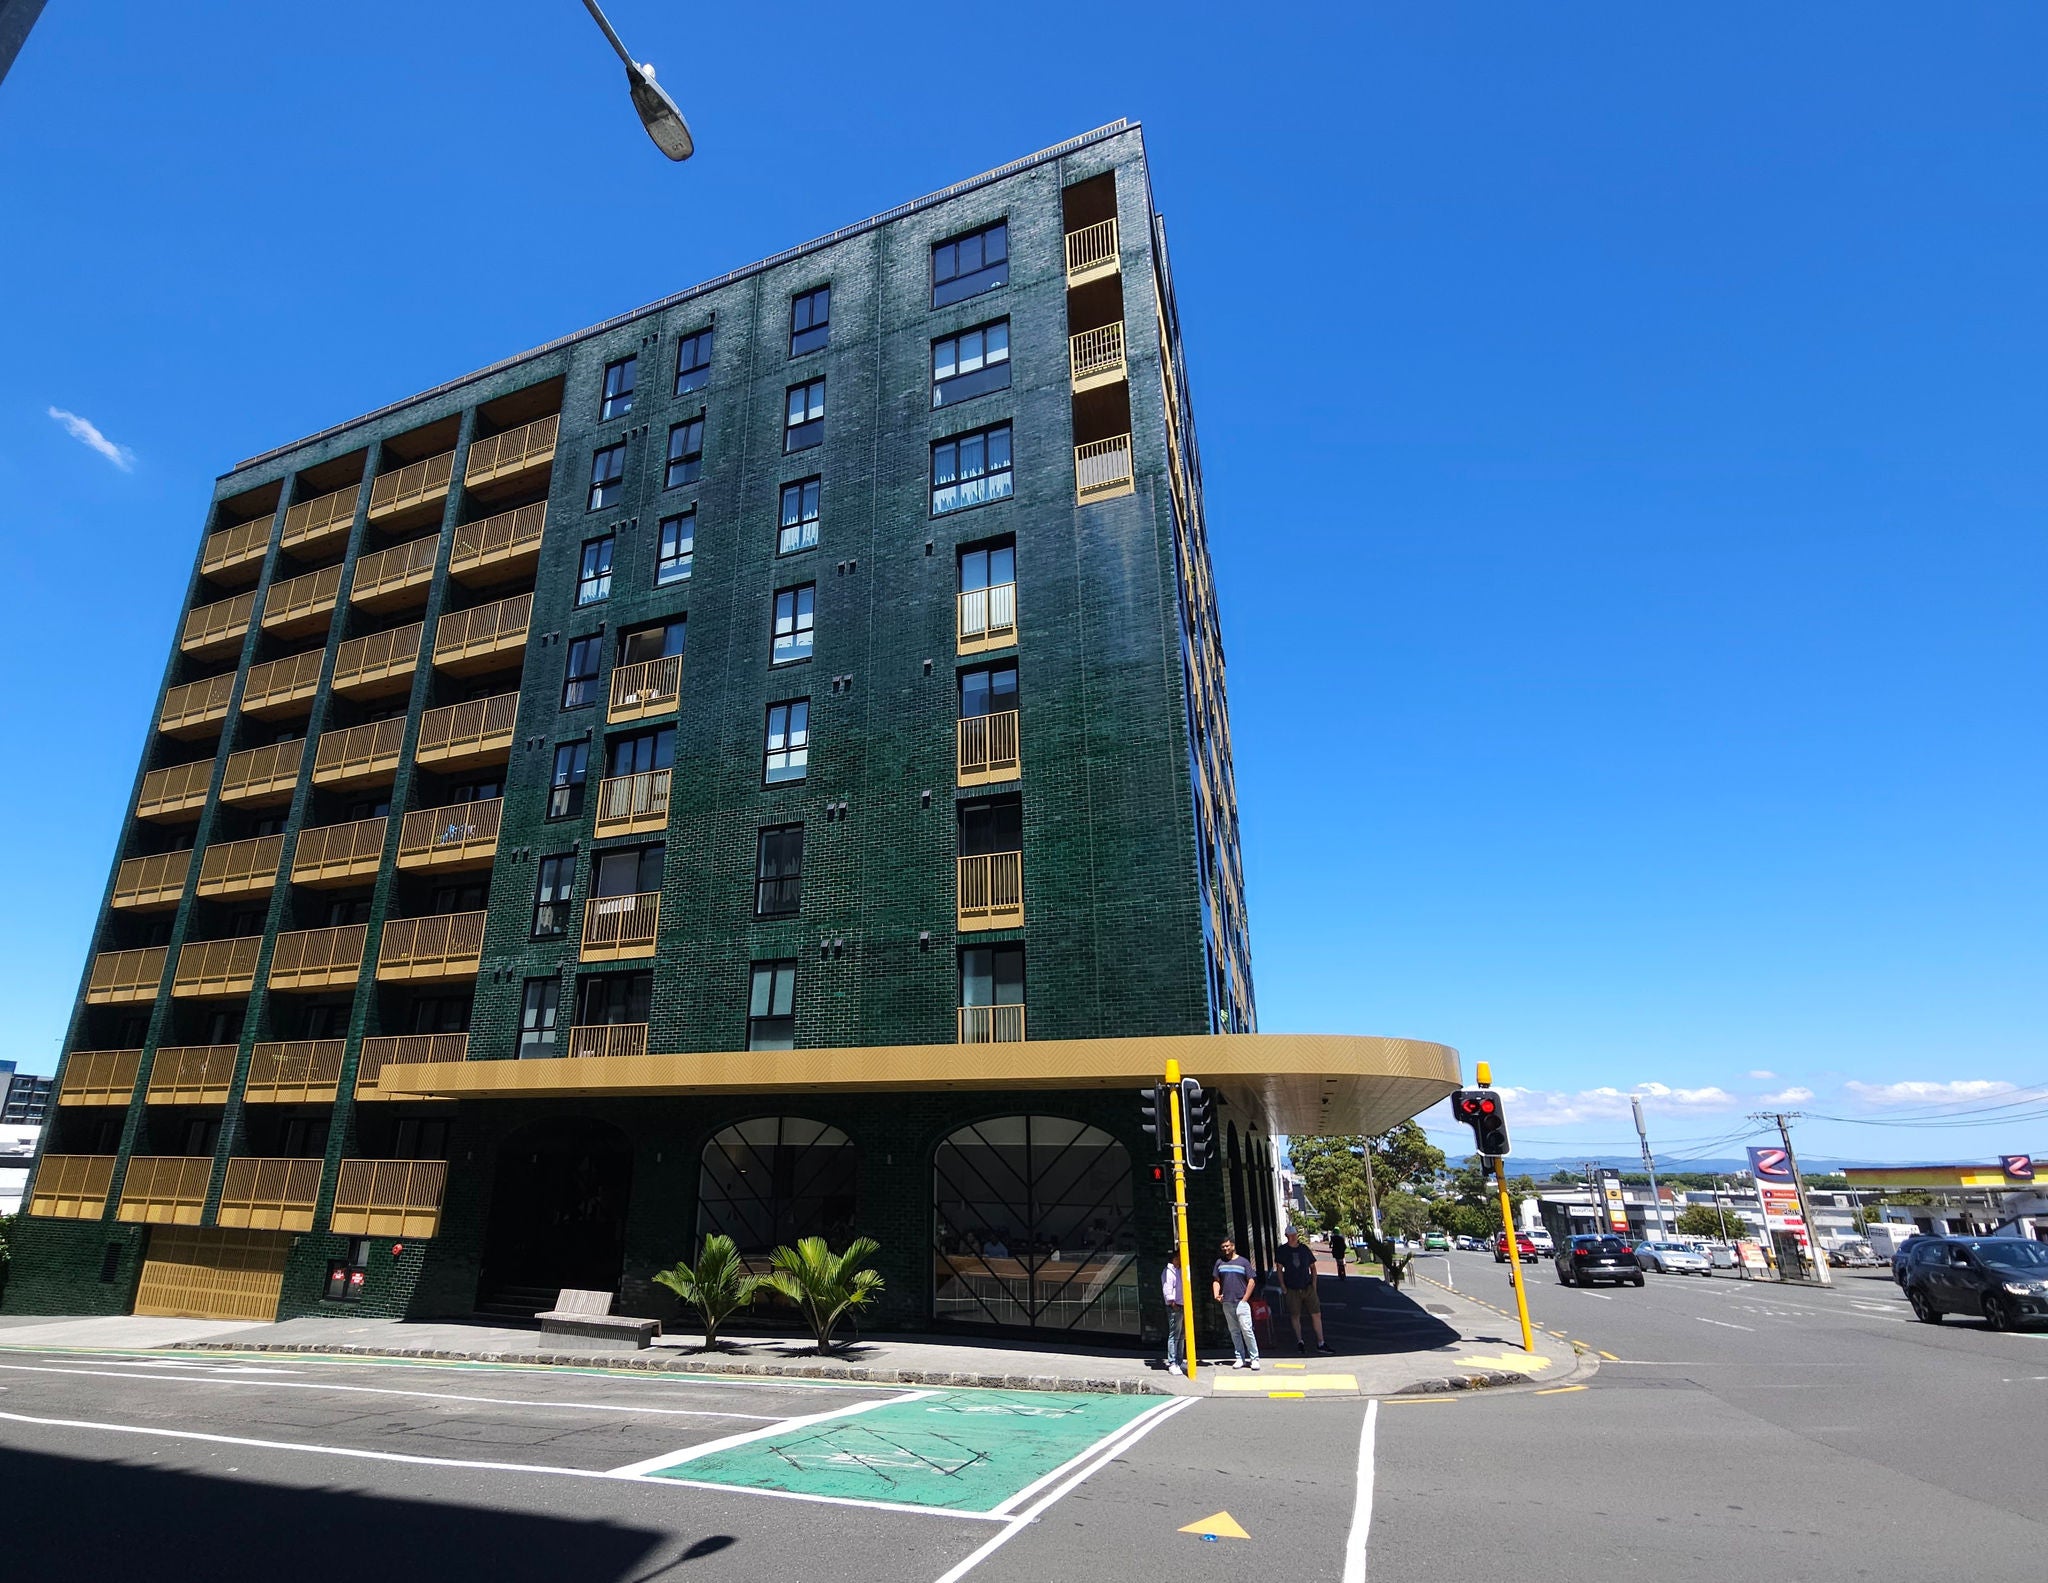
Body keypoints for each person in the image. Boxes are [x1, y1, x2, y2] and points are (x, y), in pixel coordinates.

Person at [1277, 1226, 1334, 1354]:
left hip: (1307, 1286)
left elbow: (1313, 1267)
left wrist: (1314, 1284)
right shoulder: (1282, 1250)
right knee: (1295, 1315)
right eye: (1290, 1235)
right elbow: (1279, 1269)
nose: (1293, 1237)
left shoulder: (1304, 1249)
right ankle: (1300, 1341)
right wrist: (1283, 1286)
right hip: (1292, 1288)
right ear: (1286, 1236)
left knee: (1316, 1313)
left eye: (1294, 1235)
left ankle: (1321, 1342)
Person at [1212, 1238, 1259, 1370]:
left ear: (1233, 1246)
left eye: (1227, 1246)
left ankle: (1254, 1358)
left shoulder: (1243, 1262)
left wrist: (1245, 1299)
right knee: (1234, 1331)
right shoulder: (1219, 1263)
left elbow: (1251, 1281)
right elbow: (1216, 1280)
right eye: (1223, 1247)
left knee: (1247, 1330)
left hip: (1241, 1302)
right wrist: (1216, 1294)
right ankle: (1240, 1358)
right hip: (1227, 1302)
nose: (1225, 1249)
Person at [1161, 1251, 1185, 1370]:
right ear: (1174, 1259)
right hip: (1175, 1306)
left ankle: (1179, 1360)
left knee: (1181, 1334)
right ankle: (1173, 1361)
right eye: (1179, 1258)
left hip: (1181, 1304)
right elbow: (1167, 1289)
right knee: (1175, 1334)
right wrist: (1172, 1303)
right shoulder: (1168, 1272)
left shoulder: (1179, 1270)